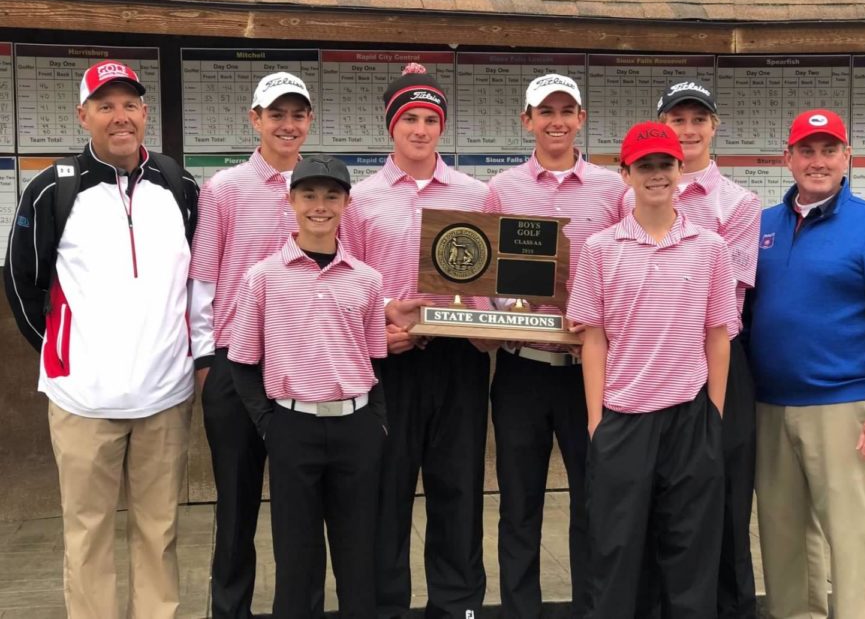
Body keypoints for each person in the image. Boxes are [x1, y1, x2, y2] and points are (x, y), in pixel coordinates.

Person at [4, 60, 199, 618]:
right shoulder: (52, 190)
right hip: (84, 400)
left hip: (164, 395)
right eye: (106, 105)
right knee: (86, 535)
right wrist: (63, 354)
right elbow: (22, 283)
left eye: (130, 104)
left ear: (144, 113)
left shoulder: (178, 184)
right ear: (82, 115)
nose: (121, 117)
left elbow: (193, 280)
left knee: (158, 533)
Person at [340, 63, 491, 618]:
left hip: (459, 358)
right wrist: (381, 322)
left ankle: (458, 608)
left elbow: (493, 282)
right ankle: (386, 606)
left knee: (459, 488)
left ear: (442, 127)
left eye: (430, 119)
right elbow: (348, 279)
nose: (421, 130)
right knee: (387, 491)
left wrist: (490, 325)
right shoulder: (360, 199)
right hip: (391, 359)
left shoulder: (478, 195)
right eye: (410, 119)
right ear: (391, 127)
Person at [568, 121, 735, 618]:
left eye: (665, 165)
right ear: (625, 174)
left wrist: (714, 416)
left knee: (689, 552)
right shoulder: (600, 249)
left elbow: (717, 336)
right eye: (645, 166)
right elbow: (592, 337)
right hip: (623, 416)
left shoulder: (711, 248)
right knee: (616, 552)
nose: (656, 175)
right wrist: (597, 419)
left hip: (689, 415)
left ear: (680, 171)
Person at [748, 109, 865, 619]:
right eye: (807, 150)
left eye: (829, 150)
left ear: (847, 156)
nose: (818, 161)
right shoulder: (761, 225)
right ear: (787, 157)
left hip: (845, 407)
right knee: (784, 541)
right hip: (770, 407)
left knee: (854, 542)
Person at [484, 73, 624, 617]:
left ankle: (593, 607)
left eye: (567, 110)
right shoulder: (504, 190)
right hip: (521, 369)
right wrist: (500, 319)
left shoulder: (613, 188)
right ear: (528, 122)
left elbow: (627, 266)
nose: (557, 121)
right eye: (546, 112)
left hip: (590, 371)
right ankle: (522, 609)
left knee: (595, 501)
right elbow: (486, 278)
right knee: (520, 505)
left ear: (581, 118)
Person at [228, 154, 387, 618]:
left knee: (358, 555)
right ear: (290, 200)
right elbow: (242, 362)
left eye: (332, 195)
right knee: (296, 557)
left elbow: (376, 359)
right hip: (291, 426)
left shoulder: (367, 280)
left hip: (356, 427)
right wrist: (268, 424)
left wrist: (376, 422)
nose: (321, 206)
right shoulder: (262, 277)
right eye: (310, 195)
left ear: (347, 203)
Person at [188, 72, 323, 617]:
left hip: (303, 367)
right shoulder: (224, 188)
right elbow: (203, 278)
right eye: (276, 115)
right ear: (255, 120)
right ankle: (231, 608)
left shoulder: (325, 191)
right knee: (237, 502)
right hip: (236, 364)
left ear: (309, 122)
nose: (287, 126)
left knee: (303, 505)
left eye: (297, 115)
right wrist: (205, 360)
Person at [625, 82, 761, 618]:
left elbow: (729, 295)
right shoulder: (635, 189)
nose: (689, 129)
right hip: (643, 366)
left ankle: (729, 609)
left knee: (723, 502)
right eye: (677, 119)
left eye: (697, 119)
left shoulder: (739, 203)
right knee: (654, 503)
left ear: (713, 126)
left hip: (715, 361)